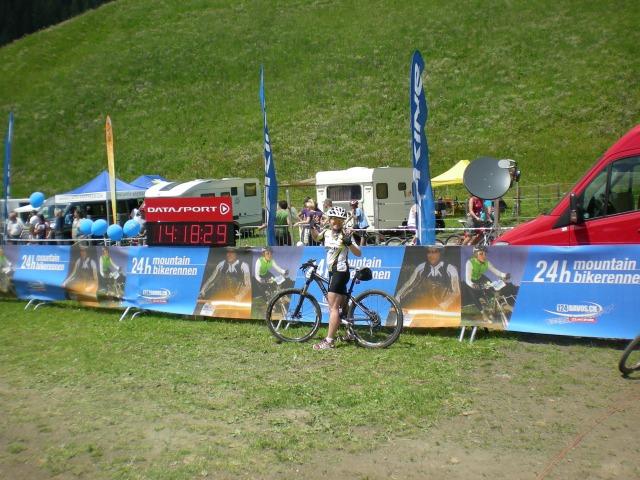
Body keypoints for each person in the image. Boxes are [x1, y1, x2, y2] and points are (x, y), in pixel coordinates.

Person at [308, 206, 361, 350]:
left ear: (343, 221)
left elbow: (358, 253)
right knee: (342, 305)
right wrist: (312, 226)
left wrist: (349, 243)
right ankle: (349, 333)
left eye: (339, 220)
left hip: (340, 272)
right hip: (334, 272)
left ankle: (329, 341)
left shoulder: (345, 234)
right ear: (329, 220)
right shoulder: (326, 232)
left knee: (333, 308)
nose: (336, 222)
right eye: (333, 219)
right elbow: (316, 237)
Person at [395, 245, 460, 311]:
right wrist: (396, 300)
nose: (431, 255)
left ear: (440, 253)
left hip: (447, 309)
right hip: (426, 307)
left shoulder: (450, 269)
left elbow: (456, 292)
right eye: (429, 252)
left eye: (434, 252)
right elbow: (409, 285)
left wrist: (443, 306)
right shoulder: (421, 268)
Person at [464, 245, 510, 314]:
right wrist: (472, 285)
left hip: (481, 277)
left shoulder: (487, 263)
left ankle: (499, 304)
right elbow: (467, 279)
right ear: (475, 255)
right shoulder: (470, 262)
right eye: (481, 254)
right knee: (474, 297)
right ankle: (483, 313)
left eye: (485, 254)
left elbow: (496, 272)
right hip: (471, 281)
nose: (484, 256)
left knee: (493, 288)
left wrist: (505, 275)